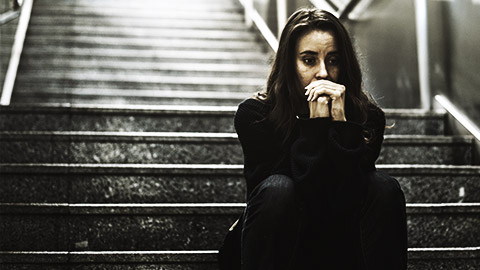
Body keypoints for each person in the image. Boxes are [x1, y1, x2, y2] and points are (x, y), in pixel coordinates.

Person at [218, 7, 408, 270]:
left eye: (333, 60)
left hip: (340, 245)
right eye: (309, 60)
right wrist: (316, 125)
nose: (323, 73)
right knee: (278, 188)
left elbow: (347, 195)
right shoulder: (256, 116)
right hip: (284, 246)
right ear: (289, 64)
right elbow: (300, 196)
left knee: (384, 188)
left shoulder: (367, 118)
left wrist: (342, 126)